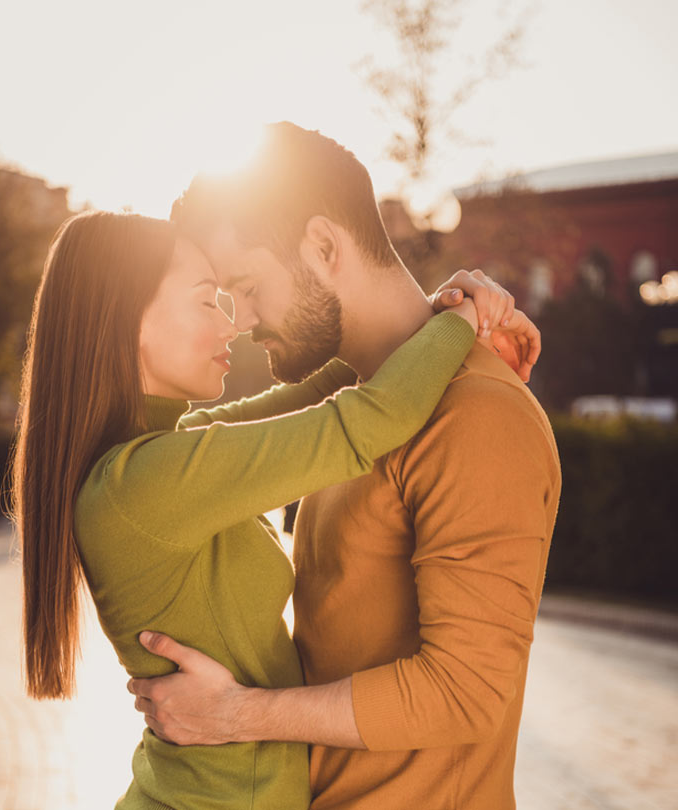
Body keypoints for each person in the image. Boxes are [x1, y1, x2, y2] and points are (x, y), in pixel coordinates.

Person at [11, 208, 529, 809]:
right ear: (127, 322)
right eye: (209, 302)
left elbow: (322, 392)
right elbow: (366, 421)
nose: (232, 326)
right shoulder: (147, 480)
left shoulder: (160, 454)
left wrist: (434, 313)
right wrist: (466, 317)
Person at [128, 122, 561, 810]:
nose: (238, 324)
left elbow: (466, 690)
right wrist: (446, 319)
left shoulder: (478, 415)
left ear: (325, 246)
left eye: (244, 286)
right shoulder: (353, 409)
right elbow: (169, 452)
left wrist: (235, 713)